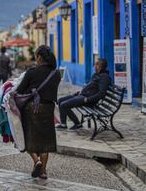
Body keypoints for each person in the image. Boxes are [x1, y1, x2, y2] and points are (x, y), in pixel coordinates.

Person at [16, 45, 61, 180]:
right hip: (48, 109)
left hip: (31, 109)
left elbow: (20, 90)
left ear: (39, 58)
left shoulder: (31, 72)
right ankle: (43, 171)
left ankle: (37, 161)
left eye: (36, 56)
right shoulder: (56, 73)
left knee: (29, 137)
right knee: (45, 141)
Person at [57, 58, 111, 131]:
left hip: (87, 99)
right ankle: (63, 124)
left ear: (99, 66)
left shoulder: (104, 77)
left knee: (64, 105)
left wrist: (88, 99)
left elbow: (101, 93)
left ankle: (77, 124)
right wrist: (81, 91)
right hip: (83, 95)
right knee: (60, 100)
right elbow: (90, 87)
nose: (94, 66)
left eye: (95, 64)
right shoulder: (96, 75)